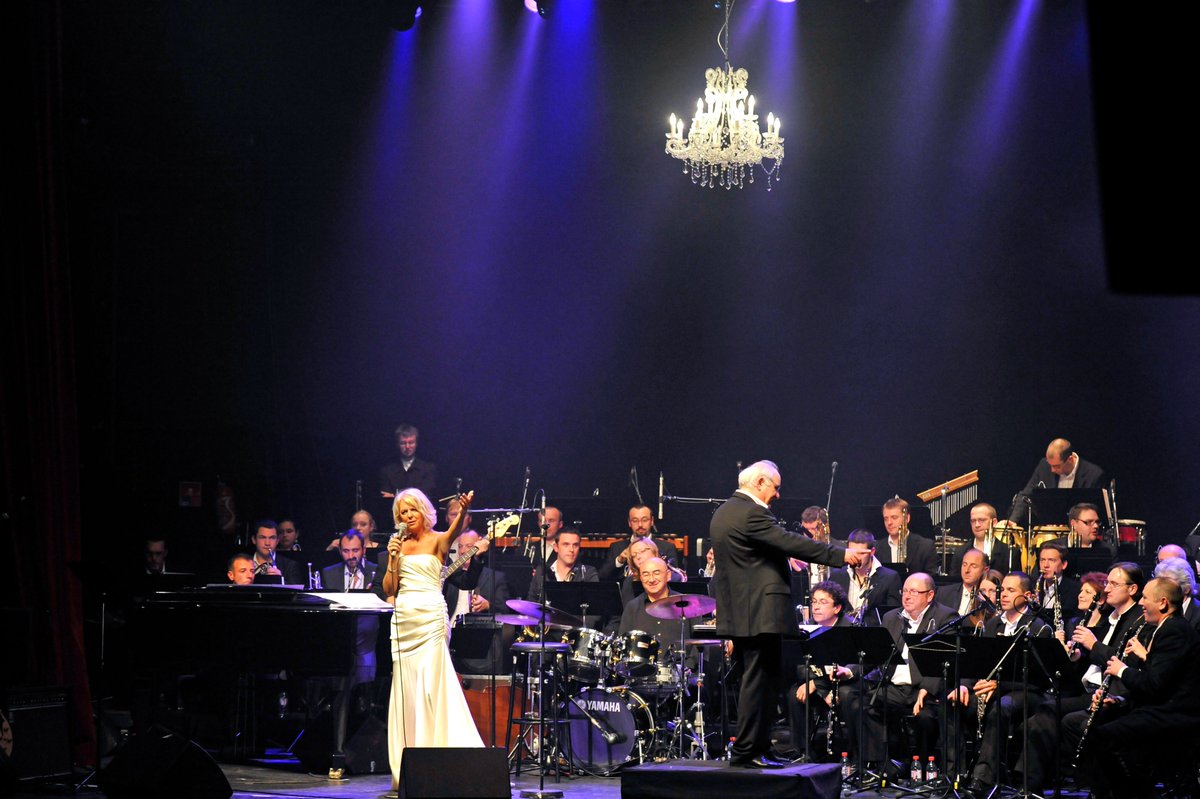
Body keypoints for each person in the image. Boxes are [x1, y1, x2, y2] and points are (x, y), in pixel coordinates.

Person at [709, 460, 864, 769]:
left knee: (762, 681)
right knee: (758, 682)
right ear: (760, 482)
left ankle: (760, 747)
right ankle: (747, 751)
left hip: (743, 612)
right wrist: (841, 554)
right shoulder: (751, 512)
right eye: (776, 487)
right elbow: (789, 541)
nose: (778, 495)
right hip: (760, 613)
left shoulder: (724, 512)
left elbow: (756, 556)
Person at [382, 488, 482, 790]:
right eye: (402, 512)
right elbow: (390, 588)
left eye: (412, 510)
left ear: (423, 511)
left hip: (430, 620)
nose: (407, 516)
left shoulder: (438, 540)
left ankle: (443, 761)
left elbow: (455, 530)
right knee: (408, 693)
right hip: (404, 623)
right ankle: (410, 764)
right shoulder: (399, 545)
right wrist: (392, 558)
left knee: (432, 688)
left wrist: (463, 510)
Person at [1017, 564, 1141, 794]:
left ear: (1132, 589)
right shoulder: (1111, 618)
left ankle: (1031, 784)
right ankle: (1033, 783)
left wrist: (1093, 645)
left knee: (1048, 713)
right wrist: (1075, 657)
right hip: (1087, 689)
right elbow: (1093, 663)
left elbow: (1123, 662)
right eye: (1107, 583)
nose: (1107, 588)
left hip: (1111, 694)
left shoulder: (1136, 621)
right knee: (1038, 718)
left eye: (1114, 584)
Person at [1077, 578, 1200, 799]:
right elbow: (1158, 680)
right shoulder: (1167, 627)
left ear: (1163, 603)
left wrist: (1121, 670)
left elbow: (1156, 685)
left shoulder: (1174, 630)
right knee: (1097, 727)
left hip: (1174, 713)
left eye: (1145, 597)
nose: (1141, 602)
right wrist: (1119, 699)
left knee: (1104, 737)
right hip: (1160, 707)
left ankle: (1133, 793)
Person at [842, 573, 955, 777]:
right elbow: (875, 653)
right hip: (894, 687)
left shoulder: (945, 617)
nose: (907, 596)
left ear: (929, 595)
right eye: (905, 591)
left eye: (914, 592)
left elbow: (946, 659)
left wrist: (927, 688)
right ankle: (882, 765)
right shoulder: (891, 617)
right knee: (860, 705)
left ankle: (923, 769)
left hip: (924, 690)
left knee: (926, 717)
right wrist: (850, 670)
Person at [956, 572, 1051, 798]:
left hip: (1026, 691)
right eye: (1002, 590)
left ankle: (983, 777)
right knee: (956, 702)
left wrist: (997, 685)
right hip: (995, 688)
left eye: (1011, 590)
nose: (1003, 595)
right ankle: (957, 773)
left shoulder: (1038, 627)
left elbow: (1037, 677)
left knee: (1002, 707)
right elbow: (978, 662)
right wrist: (965, 686)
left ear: (1027, 596)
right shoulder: (993, 623)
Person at [785, 580, 855, 759]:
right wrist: (816, 685)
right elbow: (800, 665)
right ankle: (803, 752)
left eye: (823, 602)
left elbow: (852, 665)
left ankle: (854, 754)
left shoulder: (850, 628)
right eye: (814, 601)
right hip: (818, 683)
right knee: (795, 694)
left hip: (844, 683)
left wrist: (818, 685)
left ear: (837, 608)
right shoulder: (807, 627)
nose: (816, 607)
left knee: (848, 695)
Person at [443, 530, 510, 675]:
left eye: (468, 546)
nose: (463, 551)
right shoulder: (449, 574)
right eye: (460, 546)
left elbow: (506, 610)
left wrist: (488, 605)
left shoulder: (495, 578)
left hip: (478, 645)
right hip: (448, 637)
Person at [1009, 438, 1108, 520]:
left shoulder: (1093, 475)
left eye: (1057, 466)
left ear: (1070, 459)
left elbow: (1094, 510)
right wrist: (1013, 521)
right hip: (1049, 531)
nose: (1052, 470)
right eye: (1050, 465)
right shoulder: (1044, 466)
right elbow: (1026, 494)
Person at [828, 530, 902, 624]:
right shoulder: (837, 575)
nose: (856, 557)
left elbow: (893, 617)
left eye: (861, 553)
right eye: (852, 552)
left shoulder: (890, 577)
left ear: (872, 552)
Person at [598, 505, 680, 580]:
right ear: (629, 523)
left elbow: (676, 578)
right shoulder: (616, 547)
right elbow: (602, 577)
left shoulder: (667, 547)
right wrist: (619, 560)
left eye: (644, 520)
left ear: (652, 521)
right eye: (635, 521)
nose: (640, 525)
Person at [377, 424, 438, 506]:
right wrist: (415, 495)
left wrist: (395, 495)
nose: (407, 446)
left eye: (411, 442)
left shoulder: (428, 469)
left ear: (416, 443)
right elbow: (386, 499)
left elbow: (427, 497)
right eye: (403, 443)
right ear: (397, 444)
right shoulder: (386, 471)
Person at [936, 548, 993, 629]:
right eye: (964, 564)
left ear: (985, 570)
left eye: (973, 566)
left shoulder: (989, 596)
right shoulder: (943, 593)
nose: (966, 570)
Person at [530, 529, 598, 597]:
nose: (571, 550)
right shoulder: (542, 571)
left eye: (575, 545)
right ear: (556, 547)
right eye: (566, 545)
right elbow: (531, 600)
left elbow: (595, 600)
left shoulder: (588, 573)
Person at [950, 504, 1013, 575]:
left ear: (994, 522)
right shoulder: (960, 553)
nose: (977, 525)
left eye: (982, 520)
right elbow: (954, 581)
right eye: (973, 521)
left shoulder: (1009, 552)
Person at [881, 497, 938, 574]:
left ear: (907, 518)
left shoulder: (925, 546)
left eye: (894, 517)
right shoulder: (877, 548)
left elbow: (931, 578)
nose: (889, 522)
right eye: (886, 519)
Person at [1035, 541, 1081, 629]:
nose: (1045, 565)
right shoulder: (1033, 586)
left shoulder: (1075, 590)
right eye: (1042, 560)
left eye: (1051, 560)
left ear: (1064, 564)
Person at [1152, 556, 1200, 631]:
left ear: (1186, 588)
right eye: (1160, 585)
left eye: (1167, 586)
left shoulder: (1198, 614)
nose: (1161, 590)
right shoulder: (1156, 612)